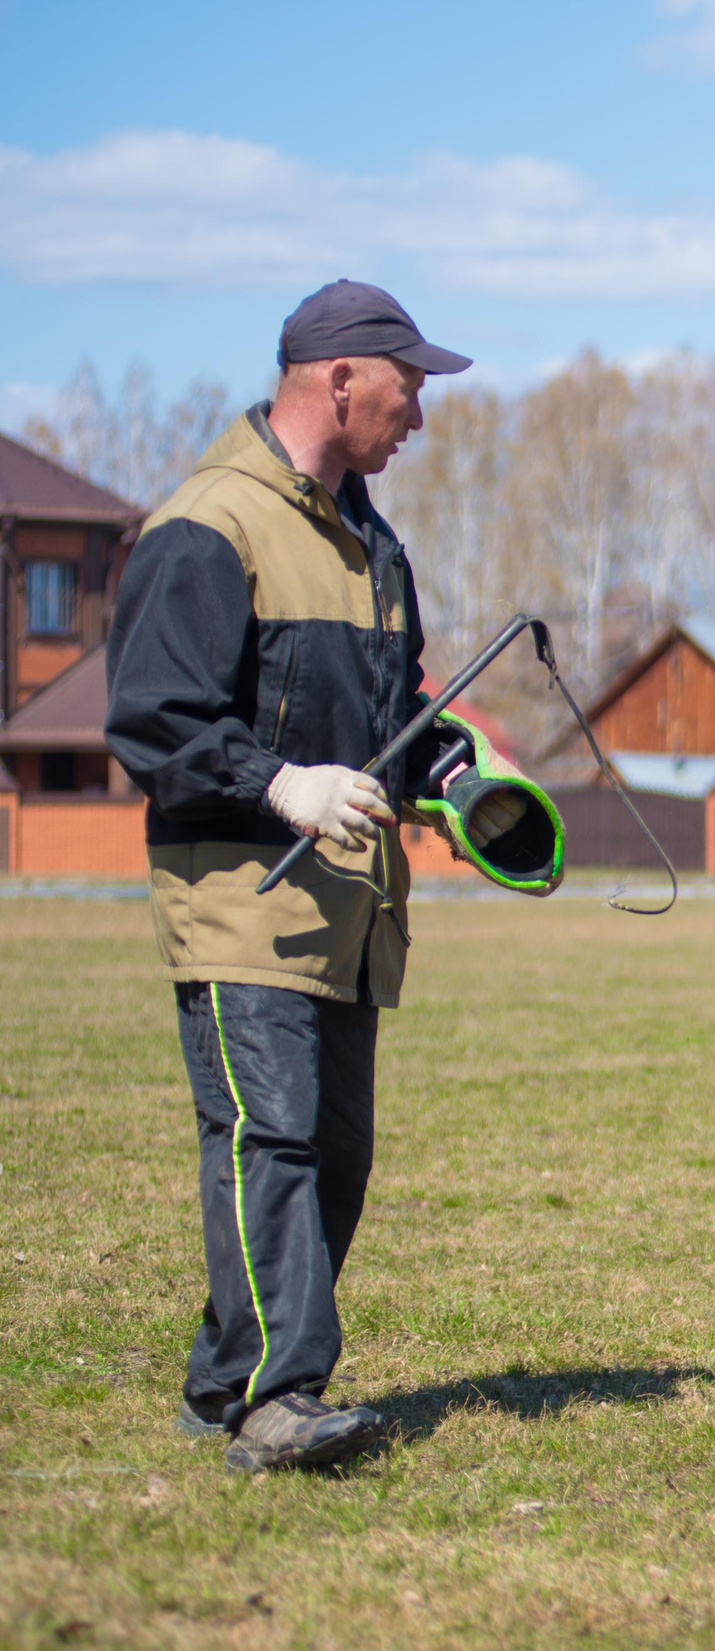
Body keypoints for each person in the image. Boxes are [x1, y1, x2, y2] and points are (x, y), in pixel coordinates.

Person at [105, 280, 472, 1470]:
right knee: (277, 1137)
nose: (418, 409)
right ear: (341, 378)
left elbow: (390, 712)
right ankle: (278, 1398)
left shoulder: (372, 543)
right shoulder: (207, 525)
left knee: (338, 1152)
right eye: (409, 384)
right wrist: (283, 785)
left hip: (352, 914)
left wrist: (457, 776)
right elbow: (154, 722)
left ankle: (225, 1379)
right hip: (242, 904)